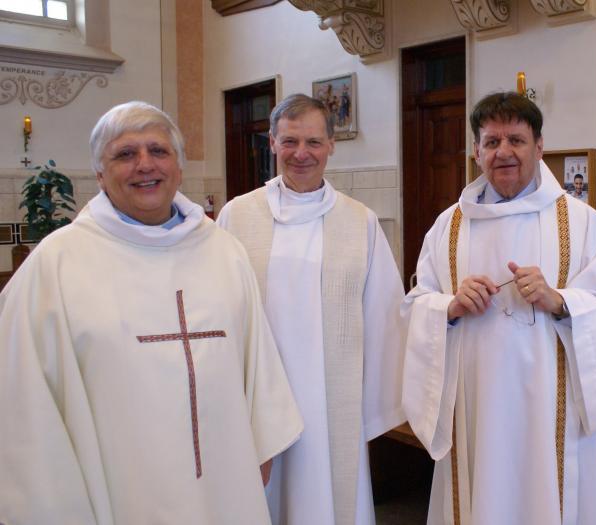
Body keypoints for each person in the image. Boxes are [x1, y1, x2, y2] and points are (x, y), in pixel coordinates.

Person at [0, 101, 303, 524]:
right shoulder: (57, 264)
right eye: (125, 154)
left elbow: (258, 365)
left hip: (224, 483)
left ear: (178, 166)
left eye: (158, 151)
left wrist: (261, 443)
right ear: (100, 174)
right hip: (117, 491)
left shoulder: (222, 251)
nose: (145, 165)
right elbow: (23, 400)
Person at [402, 91, 596, 525]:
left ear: (539, 146)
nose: (504, 152)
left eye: (515, 139)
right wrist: (450, 307)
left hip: (555, 413)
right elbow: (416, 307)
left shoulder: (581, 222)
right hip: (474, 412)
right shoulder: (449, 227)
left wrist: (562, 301)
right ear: (476, 152)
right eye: (492, 142)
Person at [217, 94, 406, 525]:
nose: (301, 154)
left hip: (331, 398)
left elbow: (383, 315)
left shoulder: (360, 222)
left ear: (331, 146)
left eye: (314, 142)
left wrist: (371, 403)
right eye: (290, 141)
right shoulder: (237, 215)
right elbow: (219, 310)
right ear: (272, 143)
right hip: (258, 392)